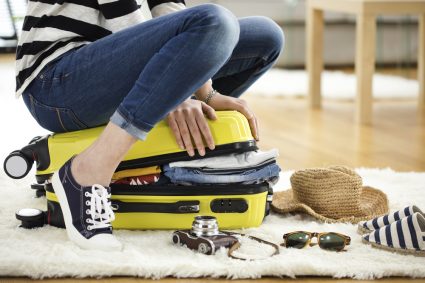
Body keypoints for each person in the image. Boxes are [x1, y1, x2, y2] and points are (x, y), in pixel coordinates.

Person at [16, 0, 284, 250]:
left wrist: (201, 90)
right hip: (57, 81)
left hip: (112, 69)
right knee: (215, 21)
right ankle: (87, 171)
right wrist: (176, 89)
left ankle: (186, 159)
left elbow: (170, 10)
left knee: (264, 36)